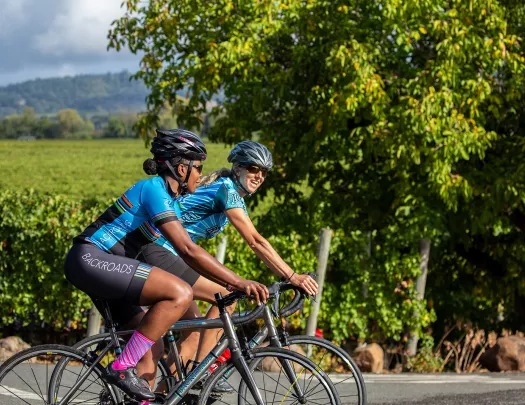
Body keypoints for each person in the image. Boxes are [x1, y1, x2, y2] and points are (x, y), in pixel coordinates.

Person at [64, 130, 269, 402]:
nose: (201, 175)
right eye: (198, 168)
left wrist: (232, 281)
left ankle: (132, 386)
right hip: (91, 258)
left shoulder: (170, 198)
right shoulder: (153, 189)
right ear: (181, 168)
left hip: (106, 266)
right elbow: (187, 249)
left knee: (153, 349)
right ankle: (121, 367)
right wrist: (237, 282)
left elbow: (189, 253)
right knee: (180, 293)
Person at [137, 140, 319, 388]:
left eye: (264, 172)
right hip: (160, 252)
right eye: (254, 169)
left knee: (192, 333)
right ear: (238, 168)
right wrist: (292, 276)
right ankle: (199, 376)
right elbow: (255, 241)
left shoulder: (231, 193)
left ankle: (168, 393)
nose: (259, 176)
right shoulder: (226, 190)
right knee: (226, 296)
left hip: (173, 256)